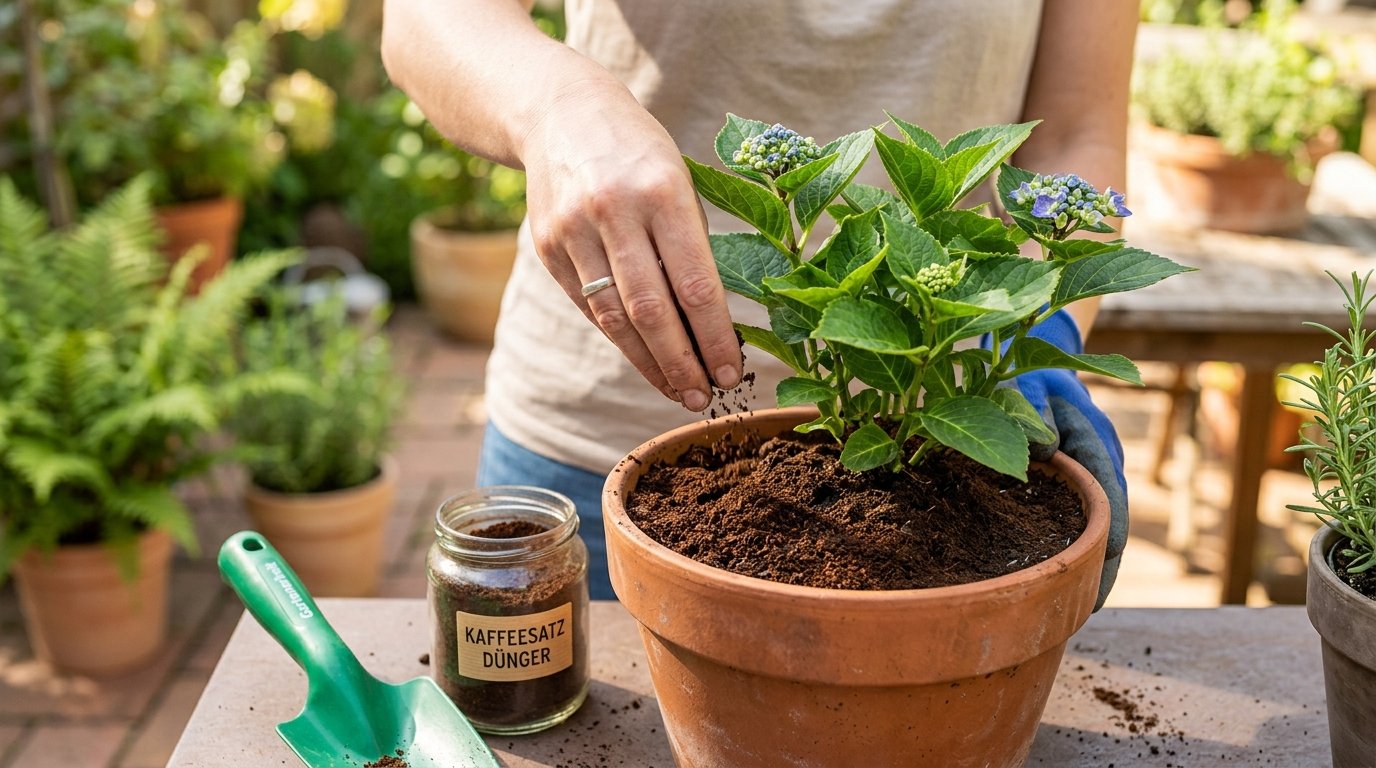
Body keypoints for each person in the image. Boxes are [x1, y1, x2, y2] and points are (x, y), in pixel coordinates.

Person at [381, 0, 1138, 602]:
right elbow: (427, 17)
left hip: (937, 462)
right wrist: (556, 106)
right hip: (592, 441)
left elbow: (1076, 138)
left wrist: (1041, 336)